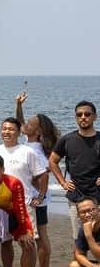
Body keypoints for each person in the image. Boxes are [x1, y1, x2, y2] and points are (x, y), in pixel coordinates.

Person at [0, 117, 47, 267]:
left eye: (11, 129)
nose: (7, 132)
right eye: (4, 128)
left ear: (18, 132)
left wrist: (41, 196)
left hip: (24, 203)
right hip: (1, 204)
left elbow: (42, 174)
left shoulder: (27, 151)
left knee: (27, 242)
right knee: (5, 241)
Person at [16, 93, 58, 267]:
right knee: (40, 234)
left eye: (30, 124)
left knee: (41, 236)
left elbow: (42, 175)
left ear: (38, 131)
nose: (25, 126)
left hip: (35, 200)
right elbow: (20, 123)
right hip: (34, 199)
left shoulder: (35, 150)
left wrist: (39, 195)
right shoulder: (31, 144)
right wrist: (18, 105)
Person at [49, 101, 100, 246]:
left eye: (87, 114)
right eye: (79, 114)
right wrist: (63, 182)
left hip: (99, 196)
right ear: (76, 117)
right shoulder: (67, 139)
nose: (83, 117)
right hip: (76, 198)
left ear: (94, 117)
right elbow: (52, 161)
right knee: (79, 239)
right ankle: (81, 266)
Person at [67, 197, 100, 267]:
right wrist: (90, 266)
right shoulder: (84, 228)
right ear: (78, 215)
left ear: (98, 209)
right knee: (74, 266)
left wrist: (89, 236)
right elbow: (79, 254)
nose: (88, 215)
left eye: (91, 210)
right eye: (83, 212)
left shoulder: (87, 230)